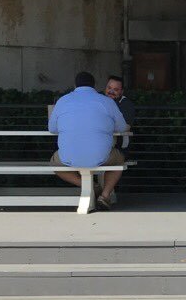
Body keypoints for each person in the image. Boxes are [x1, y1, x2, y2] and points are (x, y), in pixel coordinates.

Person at [48, 71, 127, 210]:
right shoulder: (107, 102)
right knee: (119, 160)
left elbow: (52, 129)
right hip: (102, 156)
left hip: (67, 156)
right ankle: (105, 195)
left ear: (75, 85)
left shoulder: (63, 101)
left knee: (54, 163)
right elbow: (122, 127)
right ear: (94, 86)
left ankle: (90, 186)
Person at [104, 76, 135, 203]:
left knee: (114, 161)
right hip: (99, 146)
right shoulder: (99, 100)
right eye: (109, 88)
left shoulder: (126, 104)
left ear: (121, 91)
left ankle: (103, 194)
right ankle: (101, 193)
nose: (111, 91)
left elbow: (125, 127)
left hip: (119, 147)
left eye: (115, 89)